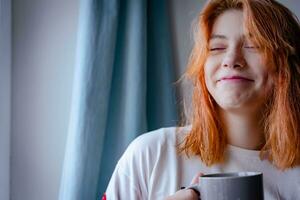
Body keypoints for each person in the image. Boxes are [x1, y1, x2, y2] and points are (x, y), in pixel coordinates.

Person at [105, 0, 300, 199]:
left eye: (253, 45)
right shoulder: (149, 154)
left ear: (287, 65)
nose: (231, 60)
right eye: (216, 48)